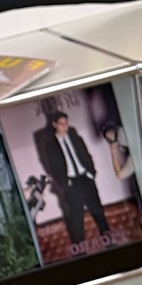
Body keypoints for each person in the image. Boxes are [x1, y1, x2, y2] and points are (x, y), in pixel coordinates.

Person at [38, 108, 111, 252]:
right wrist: (65, 183)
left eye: (66, 123)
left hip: (85, 179)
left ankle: (110, 243)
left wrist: (91, 173)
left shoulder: (76, 137)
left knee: (98, 211)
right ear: (54, 124)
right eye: (61, 124)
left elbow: (86, 155)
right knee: (76, 218)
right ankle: (80, 252)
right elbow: (53, 167)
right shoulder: (50, 146)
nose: (65, 126)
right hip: (71, 183)